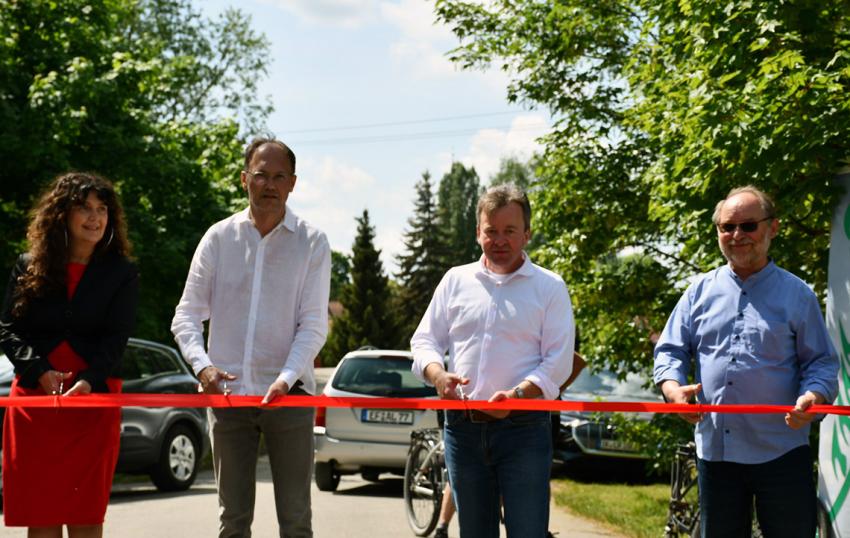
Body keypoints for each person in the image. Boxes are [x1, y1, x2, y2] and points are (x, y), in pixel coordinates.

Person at [653, 185, 839, 537]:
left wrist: (813, 398)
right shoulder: (699, 292)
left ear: (773, 228)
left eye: (748, 226)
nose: (737, 235)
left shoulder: (798, 295)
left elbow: (821, 364)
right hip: (716, 454)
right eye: (727, 227)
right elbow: (670, 350)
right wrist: (672, 389)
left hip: (782, 453)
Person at [171, 137, 330, 538]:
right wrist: (203, 367)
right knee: (233, 522)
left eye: (279, 177)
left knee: (296, 522)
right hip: (228, 397)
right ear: (245, 179)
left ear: (293, 183)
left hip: (290, 396)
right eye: (261, 175)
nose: (270, 185)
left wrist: (286, 377)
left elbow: (313, 326)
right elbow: (186, 316)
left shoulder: (312, 243)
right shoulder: (218, 238)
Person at [411, 183, 575, 538]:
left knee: (527, 532)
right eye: (491, 231)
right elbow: (424, 341)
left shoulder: (549, 287)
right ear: (477, 232)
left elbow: (558, 363)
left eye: (509, 231)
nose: (499, 240)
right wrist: (438, 375)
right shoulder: (455, 280)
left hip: (524, 430)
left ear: (527, 234)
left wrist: (517, 397)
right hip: (462, 428)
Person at [0, 172, 138, 537]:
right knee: (41, 513)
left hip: (92, 403)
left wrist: (91, 381)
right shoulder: (28, 264)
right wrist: (39, 370)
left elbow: (117, 336)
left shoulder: (122, 273)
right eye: (84, 208)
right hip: (34, 402)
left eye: (102, 209)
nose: (95, 218)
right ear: (61, 214)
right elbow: (8, 328)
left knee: (86, 513)